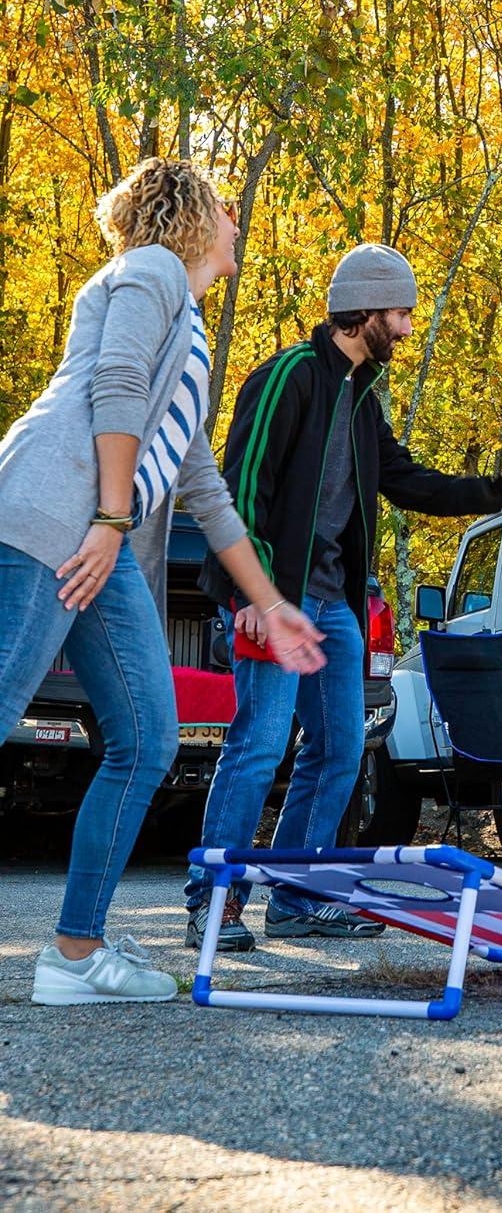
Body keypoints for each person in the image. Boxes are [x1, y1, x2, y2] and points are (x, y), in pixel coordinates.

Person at [0, 158, 326, 1006]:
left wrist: (274, 606)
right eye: (224, 208)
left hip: (90, 540)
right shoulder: (149, 271)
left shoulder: (189, 332)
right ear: (188, 216)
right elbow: (111, 385)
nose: (236, 223)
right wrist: (112, 520)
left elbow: (205, 492)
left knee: (147, 738)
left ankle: (75, 956)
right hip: (43, 518)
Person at [184, 243, 502, 951]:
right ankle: (214, 902)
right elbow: (243, 486)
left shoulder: (363, 396)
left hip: (334, 603)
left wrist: (490, 493)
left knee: (341, 748)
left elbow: (404, 479)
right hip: (274, 600)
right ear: (366, 309)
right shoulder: (290, 376)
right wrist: (257, 594)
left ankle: (300, 896)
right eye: (401, 313)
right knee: (259, 745)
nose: (406, 328)